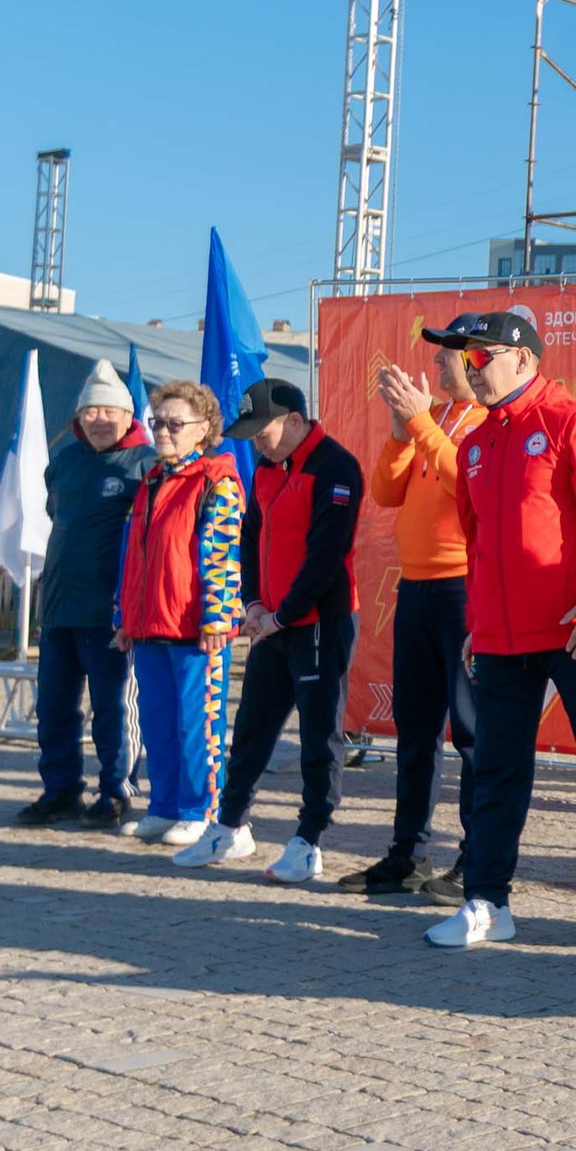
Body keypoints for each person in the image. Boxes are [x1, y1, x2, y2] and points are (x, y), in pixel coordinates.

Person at [423, 308, 576, 948]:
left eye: (480, 358)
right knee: (496, 769)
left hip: (575, 629)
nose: (469, 370)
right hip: (503, 639)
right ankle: (487, 902)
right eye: (464, 359)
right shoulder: (475, 445)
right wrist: (477, 623)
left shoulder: (573, 423)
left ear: (525, 360)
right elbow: (477, 546)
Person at [174, 380, 363, 881]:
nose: (258, 441)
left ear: (297, 421)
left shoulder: (336, 467)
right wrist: (254, 602)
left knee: (319, 736)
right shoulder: (266, 467)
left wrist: (283, 614)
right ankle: (231, 827)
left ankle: (309, 841)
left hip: (320, 622)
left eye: (265, 431)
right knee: (252, 728)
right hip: (271, 623)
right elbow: (251, 534)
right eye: (252, 434)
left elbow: (326, 556)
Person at [340, 327, 487, 899]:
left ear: (473, 360)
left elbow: (466, 482)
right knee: (415, 729)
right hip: (418, 587)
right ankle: (409, 854)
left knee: (472, 731)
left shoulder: (485, 421)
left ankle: (478, 859)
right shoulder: (441, 417)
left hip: (464, 588)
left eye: (444, 355)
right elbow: (385, 491)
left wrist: (421, 424)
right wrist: (403, 432)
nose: (434, 363)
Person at [15, 360, 154, 830]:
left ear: (128, 416)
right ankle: (61, 790)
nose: (98, 419)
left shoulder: (146, 465)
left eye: (108, 411)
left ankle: (116, 790)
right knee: (54, 707)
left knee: (112, 708)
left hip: (109, 614)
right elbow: (57, 515)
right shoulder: (66, 462)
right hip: (58, 609)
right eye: (90, 411)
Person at [112, 380, 243, 850]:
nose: (163, 431)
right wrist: (124, 617)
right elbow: (133, 557)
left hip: (194, 631)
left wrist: (216, 619)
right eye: (157, 422)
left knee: (196, 725)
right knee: (157, 722)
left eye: (174, 424)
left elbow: (223, 557)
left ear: (203, 429)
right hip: (150, 626)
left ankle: (201, 811)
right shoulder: (150, 481)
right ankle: (164, 806)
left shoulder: (216, 482)